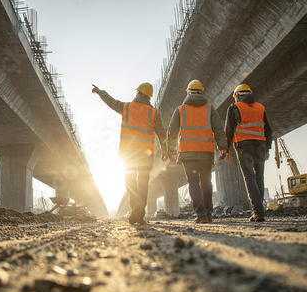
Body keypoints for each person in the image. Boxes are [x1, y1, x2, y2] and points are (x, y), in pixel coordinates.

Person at [92, 82, 168, 224]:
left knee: (130, 180)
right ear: (149, 97)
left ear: (139, 94)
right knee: (143, 182)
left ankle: (136, 205)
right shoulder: (154, 113)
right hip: (147, 154)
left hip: (129, 154)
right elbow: (162, 133)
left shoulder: (126, 107)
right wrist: (164, 149)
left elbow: (111, 101)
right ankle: (140, 214)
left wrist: (100, 91)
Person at [167, 80, 227, 223]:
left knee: (193, 182)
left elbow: (172, 132)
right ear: (201, 92)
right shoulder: (209, 109)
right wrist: (223, 148)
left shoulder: (180, 110)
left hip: (187, 153)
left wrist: (171, 150)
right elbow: (218, 129)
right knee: (206, 182)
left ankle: (200, 213)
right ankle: (209, 213)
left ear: (188, 92)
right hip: (206, 152)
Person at [224, 84, 273, 222]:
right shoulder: (260, 107)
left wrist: (225, 149)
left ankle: (258, 212)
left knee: (250, 178)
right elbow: (268, 130)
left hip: (244, 147)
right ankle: (259, 211)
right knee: (259, 179)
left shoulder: (234, 107)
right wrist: (268, 148)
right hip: (261, 146)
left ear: (237, 96)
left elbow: (228, 130)